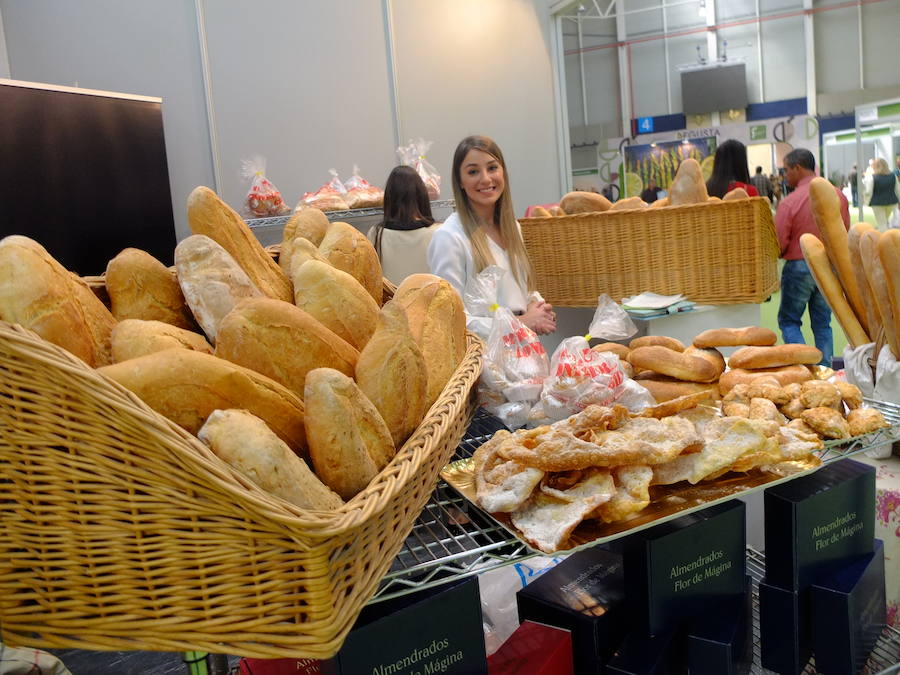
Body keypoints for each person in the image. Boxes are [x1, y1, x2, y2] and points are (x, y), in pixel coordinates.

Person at [427, 135, 556, 339]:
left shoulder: (512, 228)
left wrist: (538, 306)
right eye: (473, 171)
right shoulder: (449, 237)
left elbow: (520, 290)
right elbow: (452, 318)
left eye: (492, 168)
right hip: (484, 356)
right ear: (460, 182)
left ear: (503, 172)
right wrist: (521, 323)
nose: (486, 179)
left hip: (525, 349)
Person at [775, 148, 850, 367]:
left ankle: (805, 368)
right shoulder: (838, 195)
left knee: (789, 321)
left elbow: (780, 241)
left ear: (797, 168)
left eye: (786, 170)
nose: (784, 175)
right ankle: (825, 371)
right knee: (823, 322)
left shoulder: (789, 202)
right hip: (829, 265)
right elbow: (845, 231)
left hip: (798, 267)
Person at [367, 165, 441, 284]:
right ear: (422, 195)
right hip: (431, 295)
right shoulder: (438, 232)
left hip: (391, 296)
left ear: (389, 197)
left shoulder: (376, 234)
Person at [862, 157, 900, 231]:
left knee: (882, 224)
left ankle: (884, 237)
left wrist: (866, 201)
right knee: (885, 221)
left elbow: (868, 191)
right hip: (891, 202)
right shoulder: (893, 176)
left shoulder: (872, 178)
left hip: (877, 203)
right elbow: (898, 190)